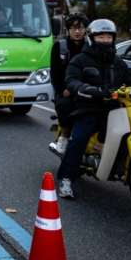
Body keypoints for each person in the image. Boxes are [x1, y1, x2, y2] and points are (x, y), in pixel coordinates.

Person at [56, 19, 131, 199]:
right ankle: (66, 178)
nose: (105, 40)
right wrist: (84, 88)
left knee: (130, 132)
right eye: (101, 36)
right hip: (88, 107)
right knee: (79, 138)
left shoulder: (118, 62)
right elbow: (71, 79)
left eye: (109, 37)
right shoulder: (80, 60)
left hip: (114, 109)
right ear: (92, 38)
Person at [48, 13, 89, 155]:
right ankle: (63, 139)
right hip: (65, 90)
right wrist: (62, 89)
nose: (77, 32)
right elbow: (54, 73)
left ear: (85, 30)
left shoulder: (90, 47)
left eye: (81, 28)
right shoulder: (60, 46)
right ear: (68, 30)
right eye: (73, 28)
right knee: (65, 106)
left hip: (87, 89)